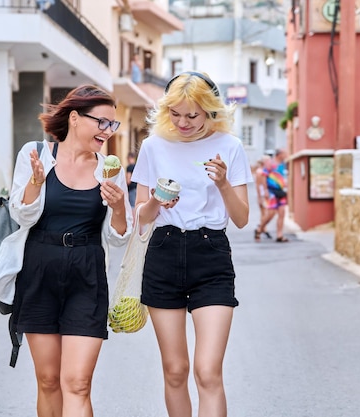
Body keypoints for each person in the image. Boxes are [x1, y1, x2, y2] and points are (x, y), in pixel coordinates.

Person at [0, 84, 133, 417]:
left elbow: (119, 236)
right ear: (75, 118)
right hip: (39, 269)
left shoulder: (110, 169)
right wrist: (36, 180)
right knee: (48, 380)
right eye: (102, 122)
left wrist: (119, 207)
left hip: (87, 272)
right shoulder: (35, 154)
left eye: (112, 124)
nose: (108, 131)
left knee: (77, 383)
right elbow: (21, 215)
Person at [131, 71, 252, 417]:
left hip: (210, 253)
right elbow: (140, 216)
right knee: (175, 371)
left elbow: (242, 218)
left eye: (193, 115)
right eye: (176, 114)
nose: (183, 122)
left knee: (208, 372)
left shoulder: (229, 146)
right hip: (163, 252)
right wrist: (156, 201)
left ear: (210, 112)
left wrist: (224, 184)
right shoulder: (153, 146)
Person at [255, 148, 289, 242]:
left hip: (281, 191)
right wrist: (265, 190)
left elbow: (283, 176)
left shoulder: (284, 164)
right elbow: (264, 175)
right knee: (271, 214)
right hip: (271, 192)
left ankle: (279, 235)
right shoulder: (271, 163)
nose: (286, 155)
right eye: (285, 153)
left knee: (282, 212)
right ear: (279, 154)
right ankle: (260, 229)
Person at [253, 154, 272, 240]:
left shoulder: (258, 171)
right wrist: (264, 194)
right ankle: (260, 229)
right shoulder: (262, 172)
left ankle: (263, 229)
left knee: (263, 213)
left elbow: (257, 185)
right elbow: (263, 185)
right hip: (264, 195)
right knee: (267, 213)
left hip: (261, 195)